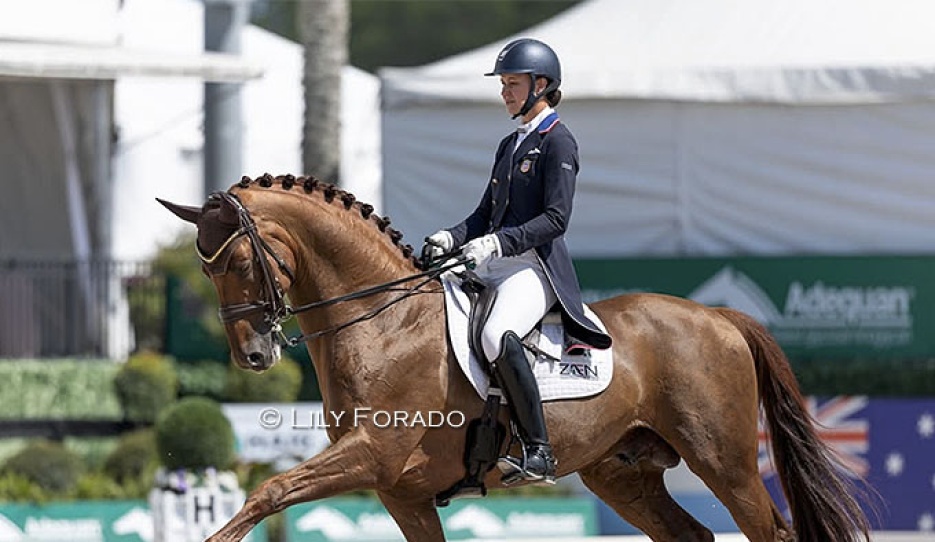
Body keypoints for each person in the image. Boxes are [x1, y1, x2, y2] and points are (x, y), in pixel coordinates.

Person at [423, 38, 613, 484]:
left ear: (541, 85)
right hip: (496, 260)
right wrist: (451, 235)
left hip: (534, 266)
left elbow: (556, 219)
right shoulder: (510, 143)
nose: (505, 93)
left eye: (512, 84)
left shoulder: (558, 142)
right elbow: (484, 214)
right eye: (504, 84)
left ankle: (538, 450)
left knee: (495, 334)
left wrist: (497, 244)